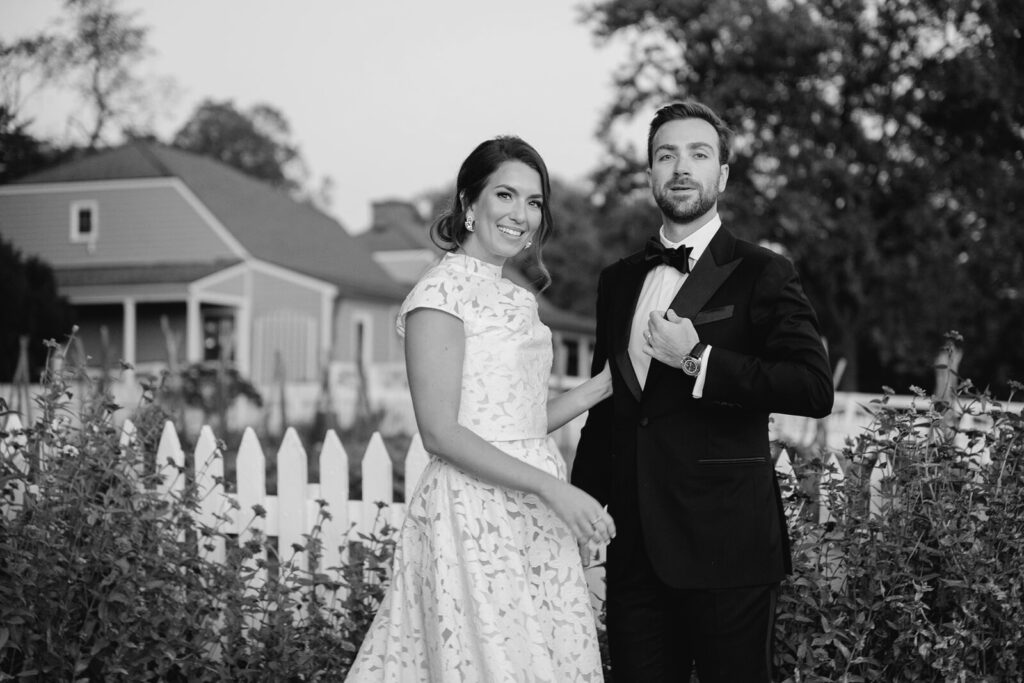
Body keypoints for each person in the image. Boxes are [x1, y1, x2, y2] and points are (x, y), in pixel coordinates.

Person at [571, 101, 834, 682]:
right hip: (635, 555)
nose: (681, 167)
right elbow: (607, 410)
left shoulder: (763, 271)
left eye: (698, 153)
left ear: (722, 174)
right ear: (649, 175)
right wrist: (581, 520)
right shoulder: (617, 281)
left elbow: (813, 387)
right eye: (666, 155)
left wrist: (697, 358)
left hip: (728, 550)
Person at [347, 136, 616, 682]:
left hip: (533, 515)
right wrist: (552, 487)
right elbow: (442, 433)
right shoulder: (439, 295)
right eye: (506, 195)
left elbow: (515, 420)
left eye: (535, 201)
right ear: (469, 205)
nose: (521, 214)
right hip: (473, 513)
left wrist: (603, 386)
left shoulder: (517, 296)